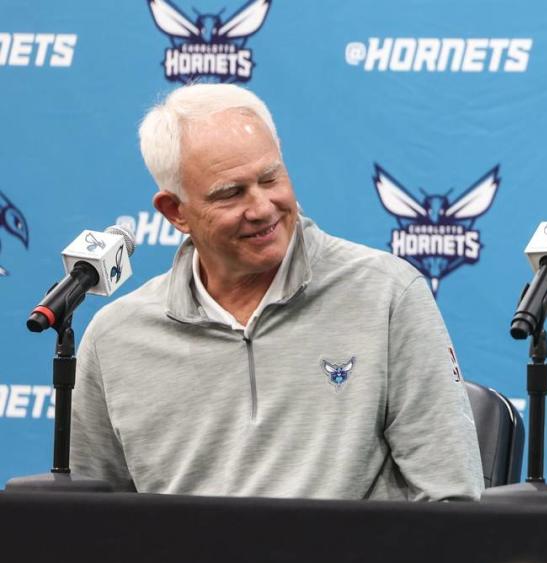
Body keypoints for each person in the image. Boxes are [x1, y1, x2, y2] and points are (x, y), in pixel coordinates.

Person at [70, 83, 484, 502]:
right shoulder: (115, 338)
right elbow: (89, 528)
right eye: (230, 193)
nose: (263, 208)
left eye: (271, 178)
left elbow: (450, 500)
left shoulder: (389, 294)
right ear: (175, 211)